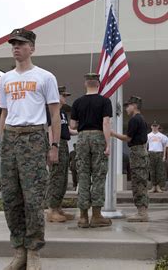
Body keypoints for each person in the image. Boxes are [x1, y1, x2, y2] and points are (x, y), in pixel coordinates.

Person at [0, 28, 61, 270]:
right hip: (10, 139)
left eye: (21, 43)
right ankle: (19, 251)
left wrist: (54, 145)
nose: (16, 47)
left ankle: (34, 251)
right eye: (13, 43)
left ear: (32, 48)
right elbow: (4, 113)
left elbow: (55, 113)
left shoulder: (45, 77)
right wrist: (1, 142)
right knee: (10, 198)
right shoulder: (5, 79)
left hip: (34, 137)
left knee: (33, 199)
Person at [70, 73, 112, 228]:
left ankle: (82, 216)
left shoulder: (77, 102)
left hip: (82, 138)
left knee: (83, 176)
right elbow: (106, 123)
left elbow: (73, 125)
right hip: (98, 137)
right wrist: (108, 144)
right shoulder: (105, 101)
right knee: (99, 176)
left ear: (85, 84)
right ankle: (96, 215)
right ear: (98, 84)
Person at [111, 96, 149, 222]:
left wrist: (113, 133)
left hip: (137, 153)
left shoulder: (134, 120)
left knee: (138, 183)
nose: (126, 108)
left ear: (134, 106)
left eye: (128, 106)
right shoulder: (141, 119)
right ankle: (142, 211)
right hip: (141, 152)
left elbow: (128, 138)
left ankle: (142, 213)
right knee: (141, 182)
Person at [46, 86, 78, 223]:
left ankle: (58, 208)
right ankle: (51, 210)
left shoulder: (63, 113)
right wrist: (52, 147)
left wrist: (83, 130)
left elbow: (68, 130)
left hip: (64, 145)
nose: (65, 98)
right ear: (57, 95)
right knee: (56, 177)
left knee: (63, 179)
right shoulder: (51, 111)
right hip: (56, 145)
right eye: (63, 95)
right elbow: (49, 129)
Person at [147, 121, 168, 193]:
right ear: (151, 126)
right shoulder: (148, 135)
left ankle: (158, 186)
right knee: (152, 171)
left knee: (159, 171)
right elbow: (145, 145)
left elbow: (165, 146)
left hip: (159, 153)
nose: (155, 127)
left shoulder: (162, 136)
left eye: (156, 126)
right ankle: (153, 186)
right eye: (153, 126)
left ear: (158, 126)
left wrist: (164, 155)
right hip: (151, 153)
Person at [158, 126, 168, 191]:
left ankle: (162, 186)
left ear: (162, 129)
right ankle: (156, 186)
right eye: (158, 128)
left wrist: (167, 158)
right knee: (155, 171)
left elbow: (167, 148)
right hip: (154, 156)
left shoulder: (165, 138)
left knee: (162, 172)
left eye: (160, 128)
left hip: (162, 156)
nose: (159, 129)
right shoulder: (152, 136)